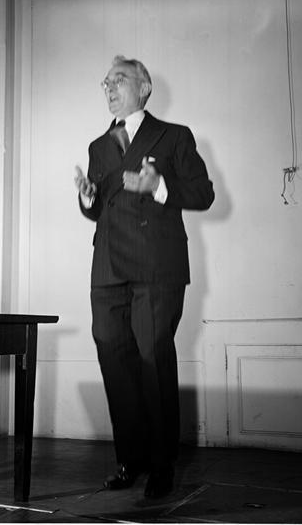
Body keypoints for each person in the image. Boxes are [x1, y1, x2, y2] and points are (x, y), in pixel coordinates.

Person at [75, 55, 214, 498]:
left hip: (156, 265)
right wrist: (87, 198)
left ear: (144, 86)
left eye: (119, 80)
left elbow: (204, 194)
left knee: (153, 360)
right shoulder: (98, 146)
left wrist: (159, 187)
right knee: (115, 362)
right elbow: (98, 208)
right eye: (105, 83)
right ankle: (130, 459)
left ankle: (161, 464)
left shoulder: (174, 136)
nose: (110, 88)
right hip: (108, 267)